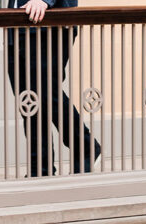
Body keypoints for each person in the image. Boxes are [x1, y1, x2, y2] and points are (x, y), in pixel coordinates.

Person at [7, 0, 101, 177]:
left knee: (45, 92)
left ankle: (84, 147)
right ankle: (41, 168)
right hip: (17, 25)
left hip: (47, 24)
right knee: (29, 99)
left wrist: (44, 0)